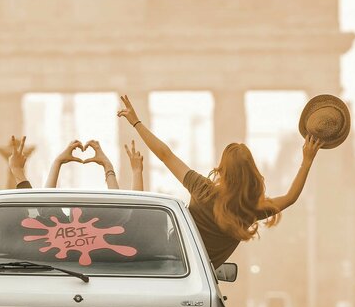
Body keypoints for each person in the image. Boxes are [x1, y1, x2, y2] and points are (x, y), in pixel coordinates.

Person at [117, 94, 323, 267]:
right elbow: (290, 197)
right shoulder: (250, 210)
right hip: (197, 276)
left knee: (148, 214)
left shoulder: (202, 189)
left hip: (165, 260)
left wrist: (136, 122)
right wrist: (307, 160)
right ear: (251, 172)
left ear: (222, 169)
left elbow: (166, 155)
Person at [45, 139, 121, 189]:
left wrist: (57, 162)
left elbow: (45, 206)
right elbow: (118, 209)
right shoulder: (110, 213)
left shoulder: (50, 212)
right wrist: (107, 165)